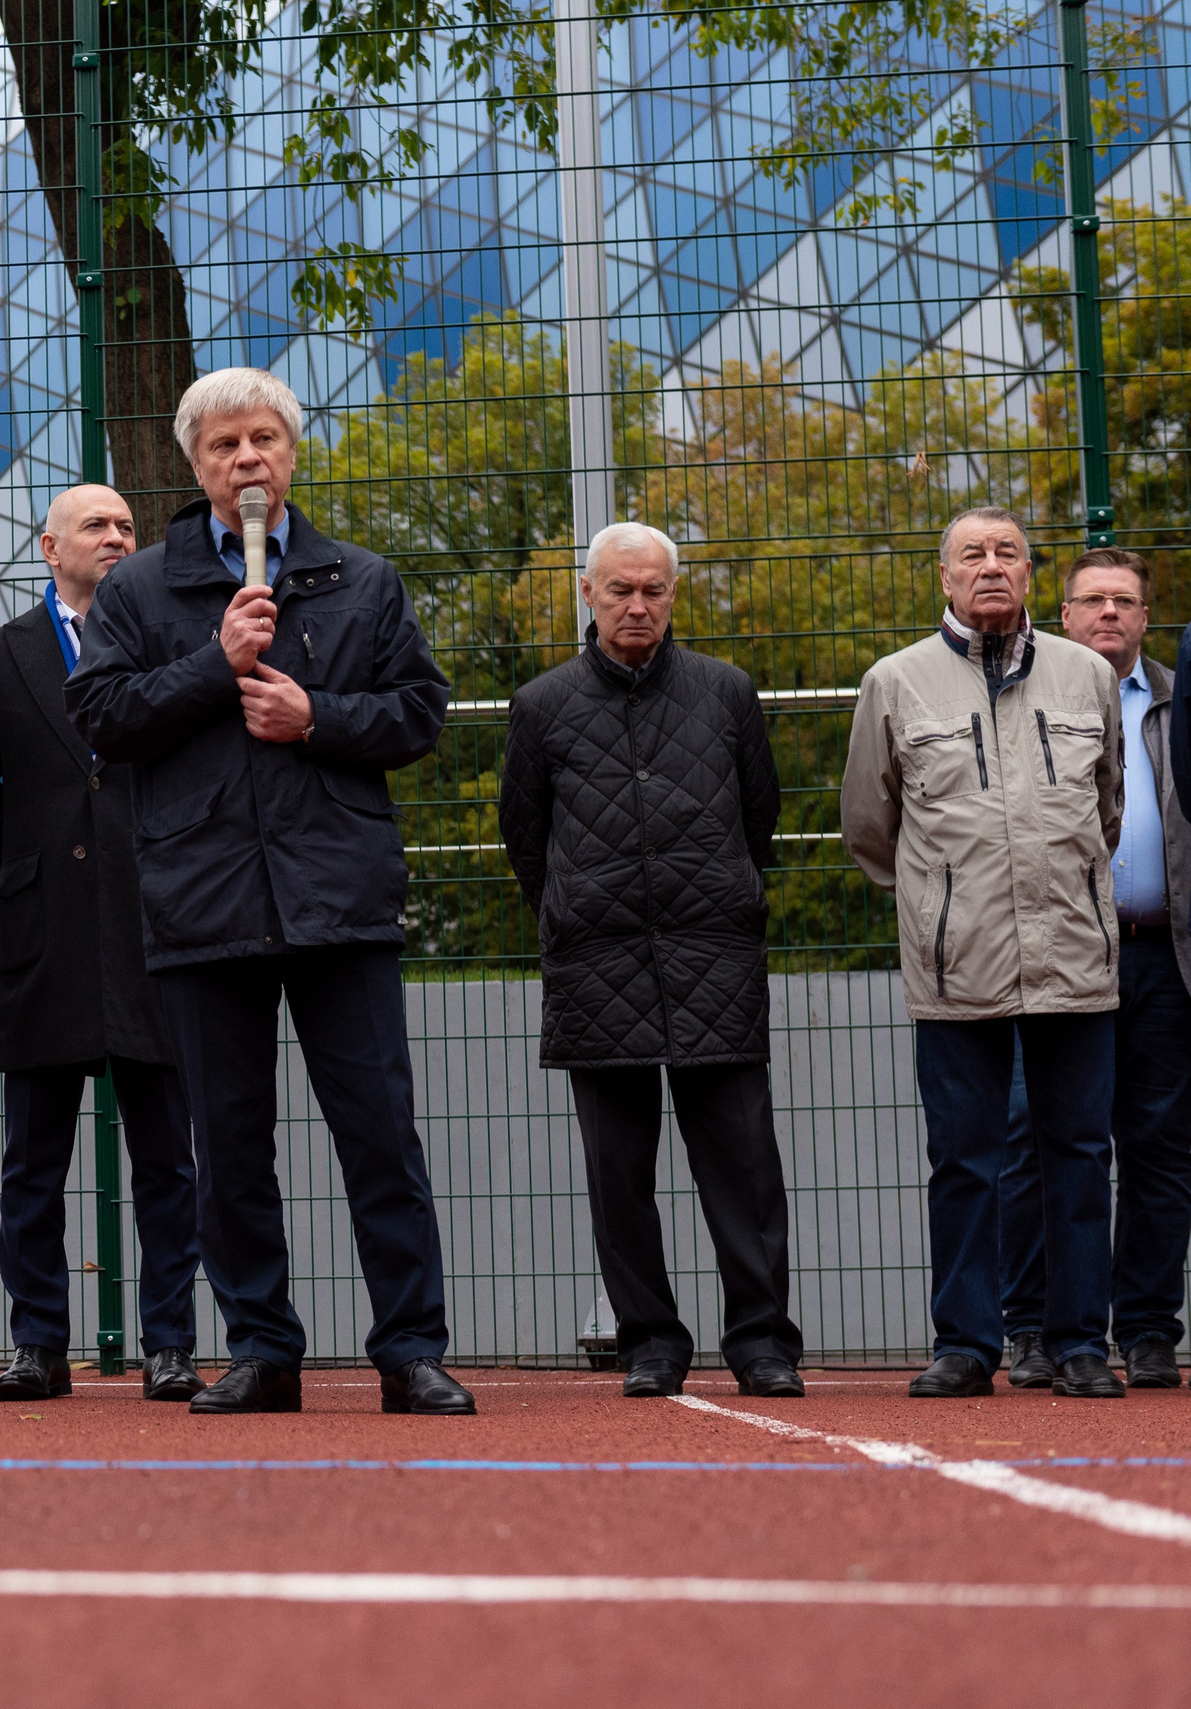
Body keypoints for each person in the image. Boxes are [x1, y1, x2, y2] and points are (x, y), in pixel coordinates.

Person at [68, 367, 474, 1416]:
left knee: (379, 1133)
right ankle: (260, 1347)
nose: (247, 459)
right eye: (224, 445)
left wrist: (319, 718)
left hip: (338, 894)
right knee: (230, 1145)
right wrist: (214, 661)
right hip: (203, 899)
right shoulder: (139, 590)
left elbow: (419, 714)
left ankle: (410, 1347)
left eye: (264, 440)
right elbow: (102, 715)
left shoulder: (362, 580)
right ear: (195, 463)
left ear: (292, 453)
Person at [498, 522, 805, 1399]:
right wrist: (573, 910)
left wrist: (719, 899)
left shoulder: (726, 693)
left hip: (716, 957)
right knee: (618, 1174)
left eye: (654, 591)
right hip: (596, 966)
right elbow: (526, 837)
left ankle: (761, 1343)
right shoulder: (542, 705)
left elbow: (760, 818)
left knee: (744, 1167)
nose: (638, 605)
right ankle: (651, 1342)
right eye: (620, 589)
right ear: (585, 593)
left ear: (674, 595)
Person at [841, 506, 1126, 1399]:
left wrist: (1061, 889)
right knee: (963, 1158)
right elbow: (869, 825)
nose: (991, 566)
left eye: (1008, 552)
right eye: (973, 553)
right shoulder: (895, 681)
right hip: (954, 965)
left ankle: (1080, 1342)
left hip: (1073, 957)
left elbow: (1105, 811)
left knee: (1077, 1155)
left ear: (1032, 573)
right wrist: (945, 903)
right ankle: (965, 1343)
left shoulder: (1086, 676)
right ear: (945, 576)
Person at [0, 484, 206, 1404]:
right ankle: (38, 1343)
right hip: (44, 933)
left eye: (127, 526)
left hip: (154, 925)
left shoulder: (169, 644)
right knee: (33, 1160)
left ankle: (169, 1342)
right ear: (47, 545)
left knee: (168, 1159)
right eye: (97, 525)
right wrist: (26, 869)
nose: (117, 536)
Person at [994, 547, 1191, 1389]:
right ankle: (1032, 1327)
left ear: (1148, 617)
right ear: (1063, 613)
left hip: (1162, 955)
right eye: (1092, 600)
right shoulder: (1020, 696)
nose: (1109, 613)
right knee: (1038, 1143)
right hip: (1056, 958)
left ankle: (1147, 1328)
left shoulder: (1186, 702)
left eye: (1126, 601)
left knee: (1159, 1149)